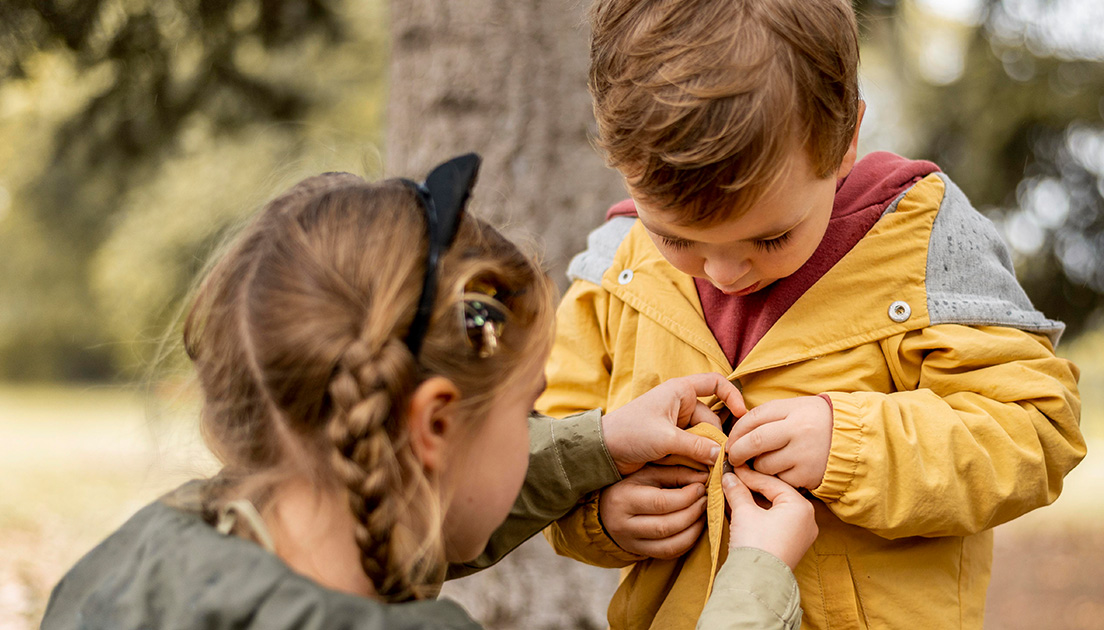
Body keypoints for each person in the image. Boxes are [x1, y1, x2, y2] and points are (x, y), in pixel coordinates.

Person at [40, 155, 817, 630]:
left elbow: (414, 492)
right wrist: (754, 581)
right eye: (527, 412)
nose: (535, 429)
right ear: (434, 423)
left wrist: (599, 442)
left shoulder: (148, 552)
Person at [538, 1, 1087, 628]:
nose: (722, 272)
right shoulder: (614, 270)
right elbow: (547, 452)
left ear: (845, 139)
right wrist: (601, 514)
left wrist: (850, 444)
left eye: (770, 239)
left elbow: (1037, 430)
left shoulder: (921, 244)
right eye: (675, 238)